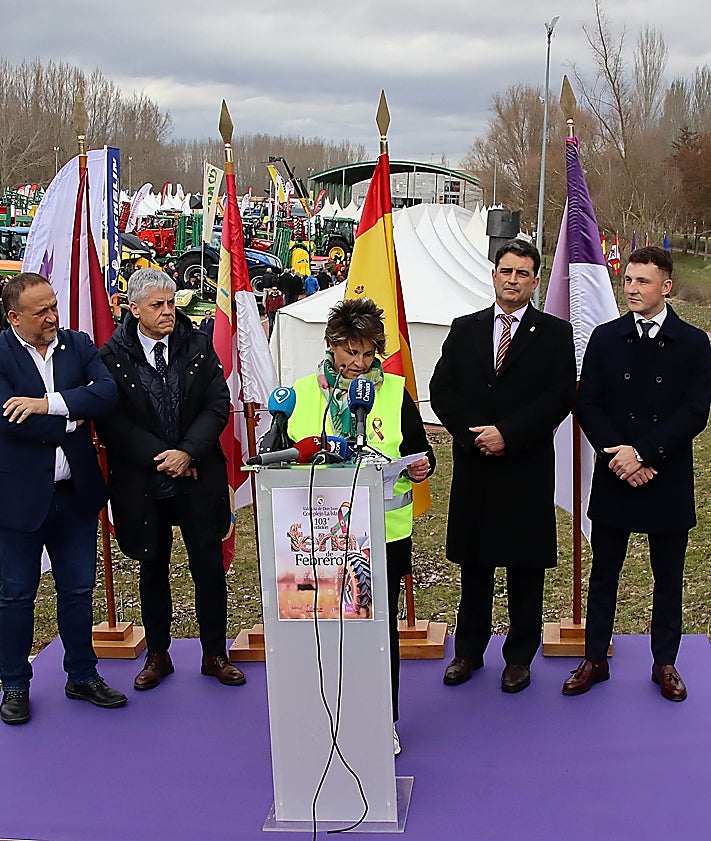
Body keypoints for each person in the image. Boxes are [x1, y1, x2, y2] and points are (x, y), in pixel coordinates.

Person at [562, 246, 711, 701]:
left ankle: (665, 663)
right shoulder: (606, 338)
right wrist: (619, 458)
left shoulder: (694, 342)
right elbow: (589, 404)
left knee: (668, 576)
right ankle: (594, 659)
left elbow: (694, 411)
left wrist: (645, 454)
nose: (631, 288)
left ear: (665, 287)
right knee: (604, 572)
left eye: (642, 281)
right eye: (627, 279)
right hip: (615, 474)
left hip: (665, 475)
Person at [287, 297, 435, 755]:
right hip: (317, 539)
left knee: (377, 629)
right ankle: (324, 715)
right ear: (332, 346)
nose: (360, 363)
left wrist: (421, 467)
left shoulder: (393, 391)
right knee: (323, 625)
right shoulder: (302, 391)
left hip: (381, 538)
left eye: (369, 353)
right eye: (351, 352)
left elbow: (420, 449)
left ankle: (382, 717)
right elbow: (284, 457)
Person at [430, 239, 576, 693]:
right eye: (505, 270)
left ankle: (518, 658)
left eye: (522, 273)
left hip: (525, 467)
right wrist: (478, 435)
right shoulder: (464, 328)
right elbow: (442, 391)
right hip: (476, 466)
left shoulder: (553, 333)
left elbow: (559, 397)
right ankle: (468, 653)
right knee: (474, 566)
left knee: (524, 567)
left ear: (535, 281)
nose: (512, 279)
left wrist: (508, 434)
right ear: (494, 275)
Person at [96, 268, 245, 692]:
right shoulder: (112, 356)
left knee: (208, 568)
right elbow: (113, 422)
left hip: (197, 476)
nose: (167, 312)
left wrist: (187, 452)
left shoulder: (197, 346)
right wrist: (161, 458)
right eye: (157, 305)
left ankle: (215, 652)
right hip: (144, 482)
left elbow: (218, 405)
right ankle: (158, 653)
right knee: (152, 568)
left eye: (171, 302)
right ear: (134, 308)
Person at [0, 272, 126, 725]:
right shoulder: (0, 353)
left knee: (78, 589)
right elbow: (9, 421)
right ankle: (13, 684)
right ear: (14, 317)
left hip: (75, 495)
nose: (53, 316)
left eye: (54, 306)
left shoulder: (78, 344)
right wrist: (73, 415)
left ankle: (82, 675)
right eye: (41, 312)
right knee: (15, 596)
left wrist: (45, 403)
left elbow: (107, 394)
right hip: (17, 500)